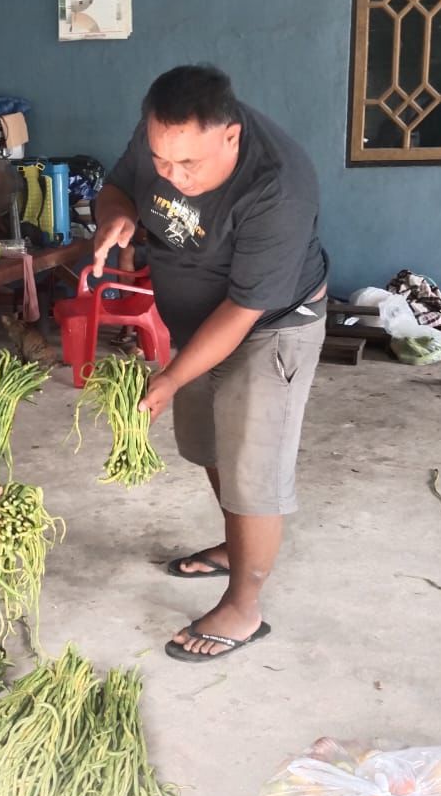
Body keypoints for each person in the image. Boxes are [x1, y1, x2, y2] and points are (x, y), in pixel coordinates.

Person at [92, 64, 328, 663]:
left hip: (269, 325)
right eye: (162, 162)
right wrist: (115, 215)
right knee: (209, 445)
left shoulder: (278, 184)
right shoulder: (165, 137)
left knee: (254, 465)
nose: (170, 177)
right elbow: (118, 185)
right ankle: (236, 543)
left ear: (231, 135)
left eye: (187, 167)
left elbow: (245, 310)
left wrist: (171, 376)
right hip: (195, 323)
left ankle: (244, 607)